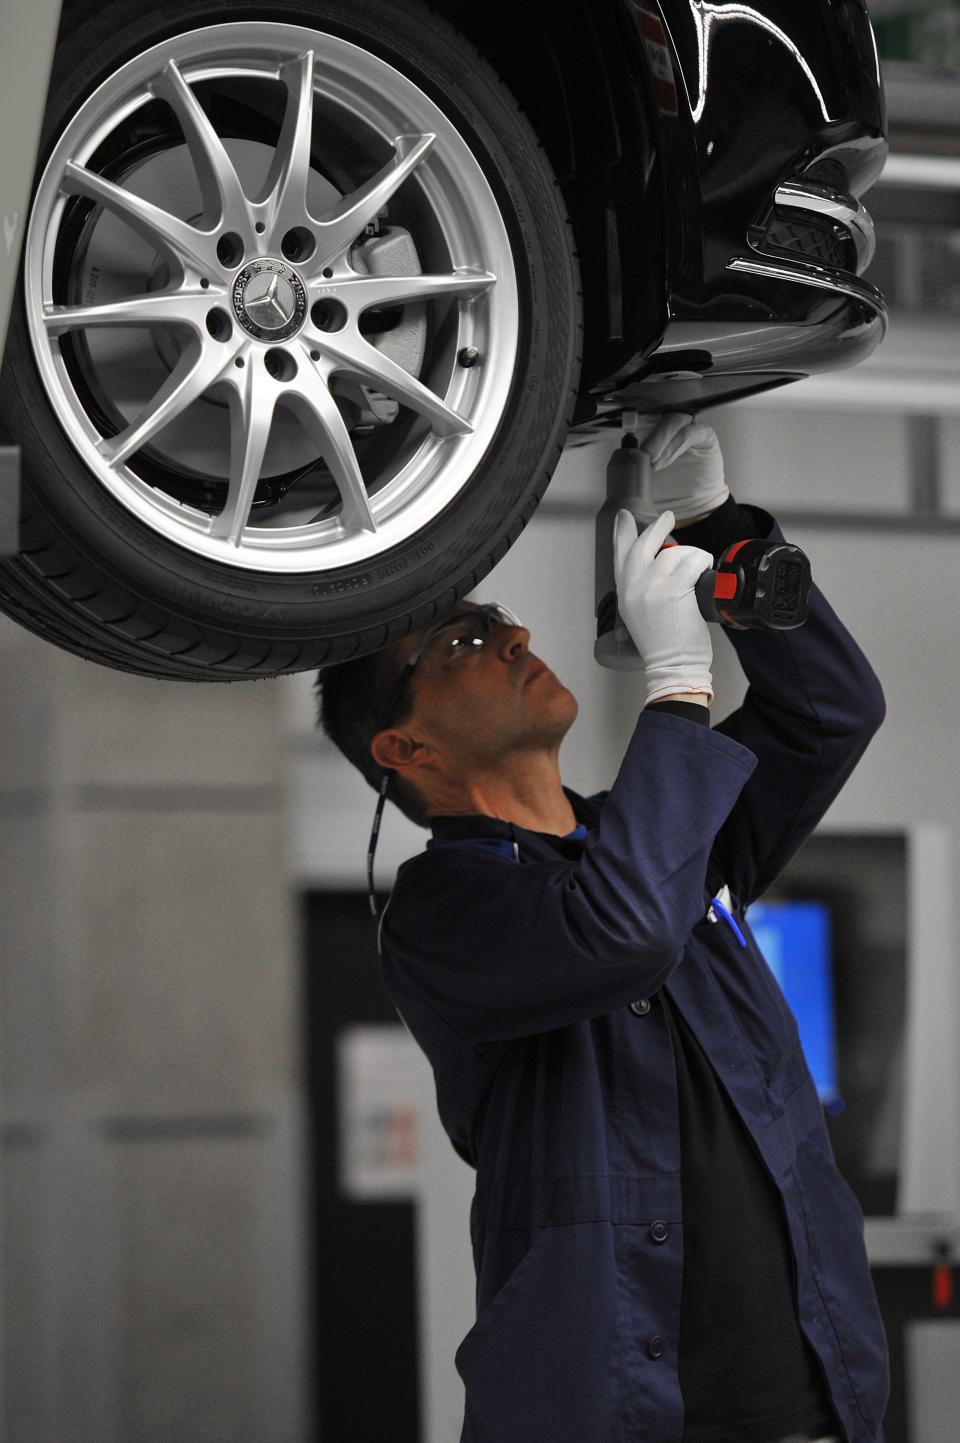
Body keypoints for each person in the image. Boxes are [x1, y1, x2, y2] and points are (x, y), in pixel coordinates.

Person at [317, 415, 890, 1443]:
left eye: (501, 620)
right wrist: (676, 691)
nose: (517, 638)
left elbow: (831, 714)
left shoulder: (662, 852)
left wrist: (723, 532)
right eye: (467, 641)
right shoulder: (446, 917)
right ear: (405, 747)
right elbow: (618, 931)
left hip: (814, 1407)